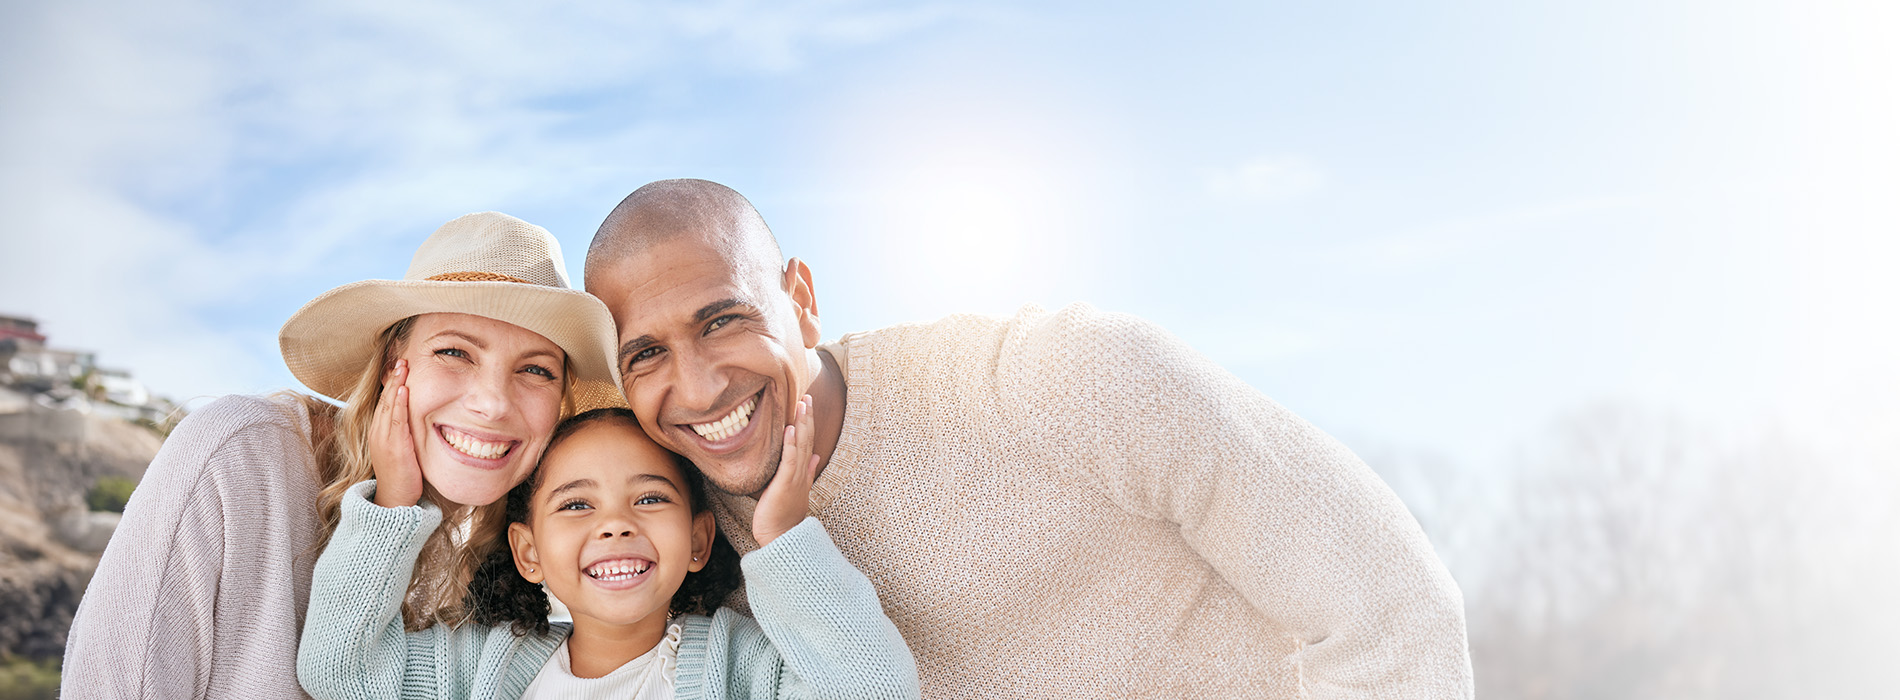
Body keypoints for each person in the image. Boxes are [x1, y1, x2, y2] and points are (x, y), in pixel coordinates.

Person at [582, 179, 1476, 698]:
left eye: (725, 319)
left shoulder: (1066, 381)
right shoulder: (685, 553)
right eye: (648, 353)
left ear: (802, 297)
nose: (697, 386)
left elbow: (1393, 614)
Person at [61, 212, 624, 699]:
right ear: (389, 367)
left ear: (560, 404)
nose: (493, 403)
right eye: (454, 352)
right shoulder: (241, 457)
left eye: (536, 370)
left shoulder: (501, 559)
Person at [296, 400, 919, 699]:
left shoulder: (745, 668)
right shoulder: (477, 669)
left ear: (700, 540)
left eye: (649, 499)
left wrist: (785, 539)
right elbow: (337, 671)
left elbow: (876, 691)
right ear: (528, 551)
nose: (615, 525)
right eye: (575, 505)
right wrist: (394, 505)